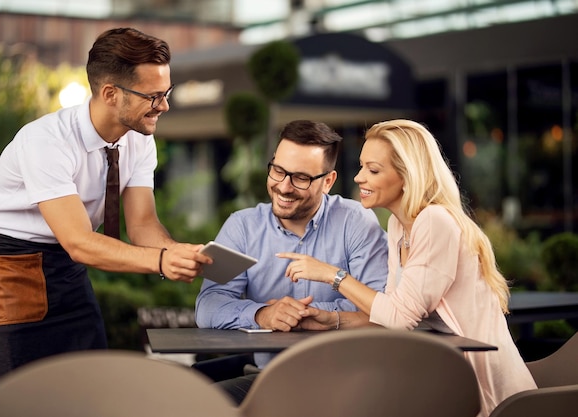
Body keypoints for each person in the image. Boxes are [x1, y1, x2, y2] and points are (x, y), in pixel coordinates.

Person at [0, 27, 211, 391]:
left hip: (69, 264)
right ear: (111, 94)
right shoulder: (45, 141)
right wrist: (160, 262)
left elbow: (143, 224)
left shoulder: (139, 140)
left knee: (87, 386)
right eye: (154, 95)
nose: (164, 105)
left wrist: (176, 251)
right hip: (11, 264)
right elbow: (79, 240)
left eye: (166, 92)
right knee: (14, 395)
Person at [278, 119, 537, 417]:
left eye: (373, 170)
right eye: (362, 167)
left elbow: (400, 319)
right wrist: (328, 319)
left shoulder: (434, 221)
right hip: (450, 382)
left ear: (407, 175)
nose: (360, 178)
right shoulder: (400, 225)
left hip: (489, 395)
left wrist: (332, 275)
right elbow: (388, 314)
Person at [195, 119, 389, 404]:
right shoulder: (241, 227)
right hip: (270, 379)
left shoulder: (357, 221)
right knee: (194, 403)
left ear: (328, 181)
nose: (283, 187)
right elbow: (208, 304)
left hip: (348, 381)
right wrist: (262, 314)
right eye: (278, 171)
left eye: (300, 177)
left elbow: (380, 307)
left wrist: (297, 314)